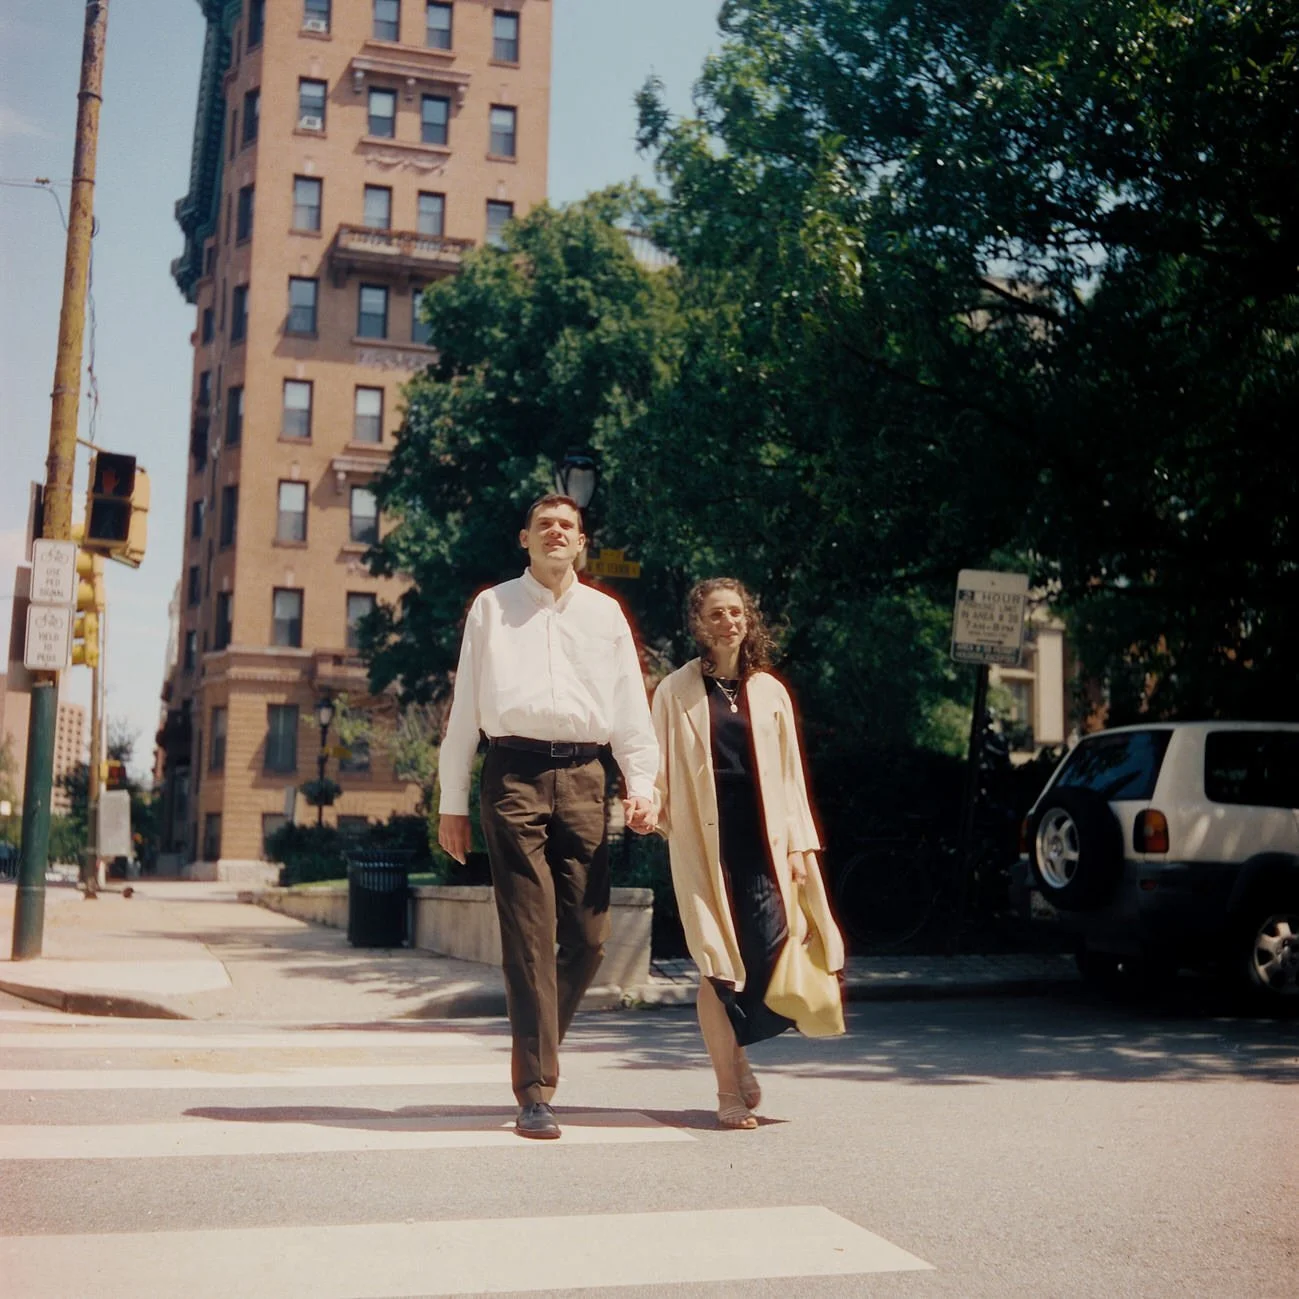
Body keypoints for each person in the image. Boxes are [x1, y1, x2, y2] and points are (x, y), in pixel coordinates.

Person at [437, 494, 659, 1139]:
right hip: (514, 775)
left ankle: (538, 1045)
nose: (557, 533)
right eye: (545, 525)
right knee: (529, 936)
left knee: (589, 939)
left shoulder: (605, 615)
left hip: (587, 777)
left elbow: (630, 713)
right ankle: (535, 1091)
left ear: (581, 543)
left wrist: (640, 784)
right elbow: (463, 711)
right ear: (524, 539)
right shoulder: (492, 607)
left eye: (568, 526)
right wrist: (453, 805)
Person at [652, 578, 844, 1129]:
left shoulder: (771, 691)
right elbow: (658, 770)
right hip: (706, 848)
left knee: (765, 955)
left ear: (748, 620)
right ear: (698, 623)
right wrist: (648, 805)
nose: (728, 621)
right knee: (717, 967)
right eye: (716, 613)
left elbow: (791, 781)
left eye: (736, 612)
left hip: (765, 849)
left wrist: (803, 854)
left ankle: (736, 1055)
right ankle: (726, 1093)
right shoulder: (675, 691)